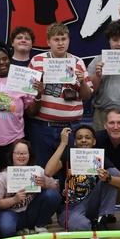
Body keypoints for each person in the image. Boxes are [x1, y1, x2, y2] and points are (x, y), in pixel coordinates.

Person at [26, 22, 93, 182]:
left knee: (70, 173)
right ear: (48, 42)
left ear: (69, 41)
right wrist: (38, 89)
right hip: (42, 128)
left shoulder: (78, 62)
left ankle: (68, 206)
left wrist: (82, 82)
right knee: (41, 172)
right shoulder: (37, 61)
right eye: (56, 39)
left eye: (64, 39)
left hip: (71, 128)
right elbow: (27, 96)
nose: (61, 43)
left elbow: (87, 96)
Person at [45, 125, 120, 232]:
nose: (83, 140)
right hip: (69, 208)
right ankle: (93, 225)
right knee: (82, 227)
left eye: (88, 138)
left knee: (112, 172)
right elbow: (48, 172)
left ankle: (103, 217)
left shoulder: (98, 157)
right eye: (79, 138)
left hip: (91, 204)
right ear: (74, 142)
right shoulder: (69, 154)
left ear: (94, 142)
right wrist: (63, 143)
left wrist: (108, 179)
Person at [0, 139, 63, 237]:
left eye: (24, 153)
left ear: (29, 155)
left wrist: (46, 185)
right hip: (10, 213)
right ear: (12, 155)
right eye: (18, 153)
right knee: (6, 230)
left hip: (31, 212)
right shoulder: (3, 175)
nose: (21, 156)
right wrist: (14, 199)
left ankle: (40, 225)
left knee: (52, 194)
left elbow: (55, 188)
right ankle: (20, 230)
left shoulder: (37, 170)